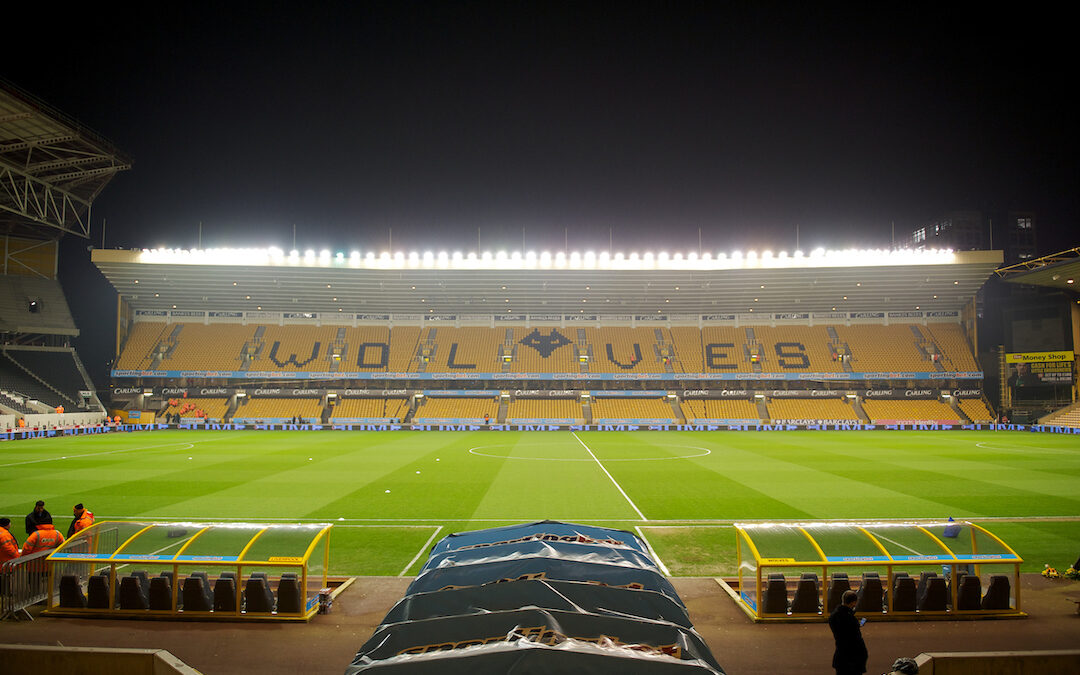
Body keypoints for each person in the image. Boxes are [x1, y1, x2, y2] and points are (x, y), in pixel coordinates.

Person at [829, 589, 868, 675]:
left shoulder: (833, 616)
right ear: (853, 602)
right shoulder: (850, 618)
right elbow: (856, 639)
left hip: (840, 656)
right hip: (853, 659)